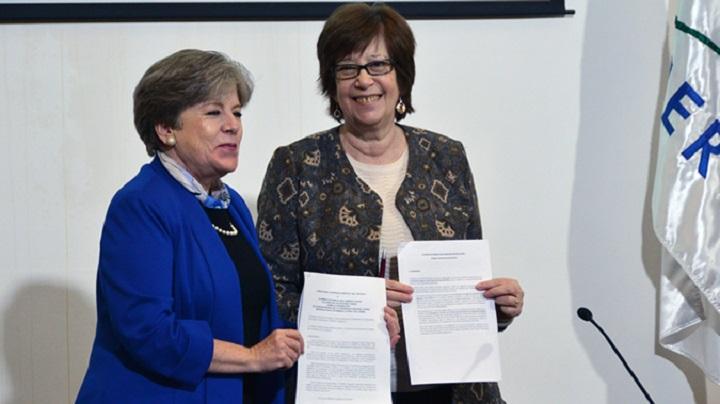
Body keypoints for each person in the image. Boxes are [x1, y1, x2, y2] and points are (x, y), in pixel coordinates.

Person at [256, 3, 524, 404]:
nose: (364, 80)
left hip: (454, 391)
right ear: (333, 83)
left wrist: (496, 308)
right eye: (347, 68)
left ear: (402, 76)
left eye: (378, 65)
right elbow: (273, 291)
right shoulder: (296, 164)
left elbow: (465, 278)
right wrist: (358, 306)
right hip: (345, 389)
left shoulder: (447, 157)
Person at [76, 49, 305, 403]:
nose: (233, 124)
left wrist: (357, 321)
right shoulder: (140, 205)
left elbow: (251, 315)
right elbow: (149, 331)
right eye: (214, 112)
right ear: (167, 129)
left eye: (237, 112)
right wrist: (252, 358)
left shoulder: (231, 206)